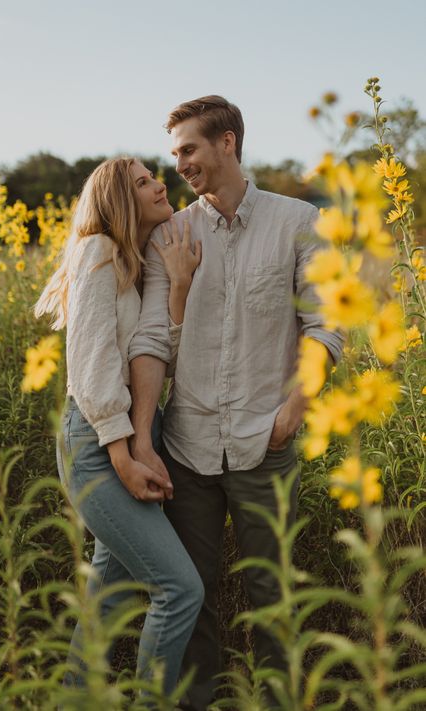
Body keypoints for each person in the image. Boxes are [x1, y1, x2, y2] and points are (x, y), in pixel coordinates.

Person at [128, 96, 344, 710]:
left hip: (264, 443)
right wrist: (145, 436)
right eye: (174, 155)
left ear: (228, 143)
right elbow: (150, 340)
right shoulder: (169, 233)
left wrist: (291, 415)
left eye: (189, 149)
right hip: (188, 449)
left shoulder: (300, 222)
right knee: (192, 598)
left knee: (273, 603)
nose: (181, 165)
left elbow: (325, 327)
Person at [34, 157, 204, 698]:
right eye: (144, 182)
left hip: (131, 436)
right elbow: (90, 363)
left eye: (156, 177)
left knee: (108, 599)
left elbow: (162, 355)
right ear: (118, 203)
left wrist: (179, 286)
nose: (160, 185)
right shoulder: (99, 250)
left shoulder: (139, 259)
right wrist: (123, 453)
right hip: (99, 441)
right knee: (179, 590)